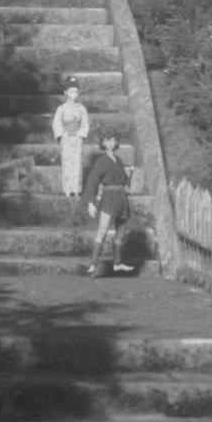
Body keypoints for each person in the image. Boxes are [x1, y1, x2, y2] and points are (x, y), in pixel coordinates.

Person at [83, 136, 138, 275]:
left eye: (113, 140)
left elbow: (124, 182)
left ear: (116, 143)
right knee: (102, 231)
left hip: (121, 197)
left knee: (120, 232)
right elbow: (93, 181)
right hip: (109, 197)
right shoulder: (101, 161)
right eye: (107, 140)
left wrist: (129, 174)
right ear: (102, 143)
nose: (110, 143)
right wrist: (91, 202)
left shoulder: (118, 160)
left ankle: (117, 263)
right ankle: (93, 264)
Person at [51, 78, 92, 197]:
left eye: (76, 92)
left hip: (77, 138)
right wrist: (62, 134)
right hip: (66, 137)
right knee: (67, 162)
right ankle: (67, 189)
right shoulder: (61, 108)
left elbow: (85, 123)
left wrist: (81, 133)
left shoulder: (81, 108)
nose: (74, 94)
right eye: (71, 91)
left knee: (77, 163)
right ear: (66, 93)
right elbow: (56, 123)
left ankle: (76, 189)